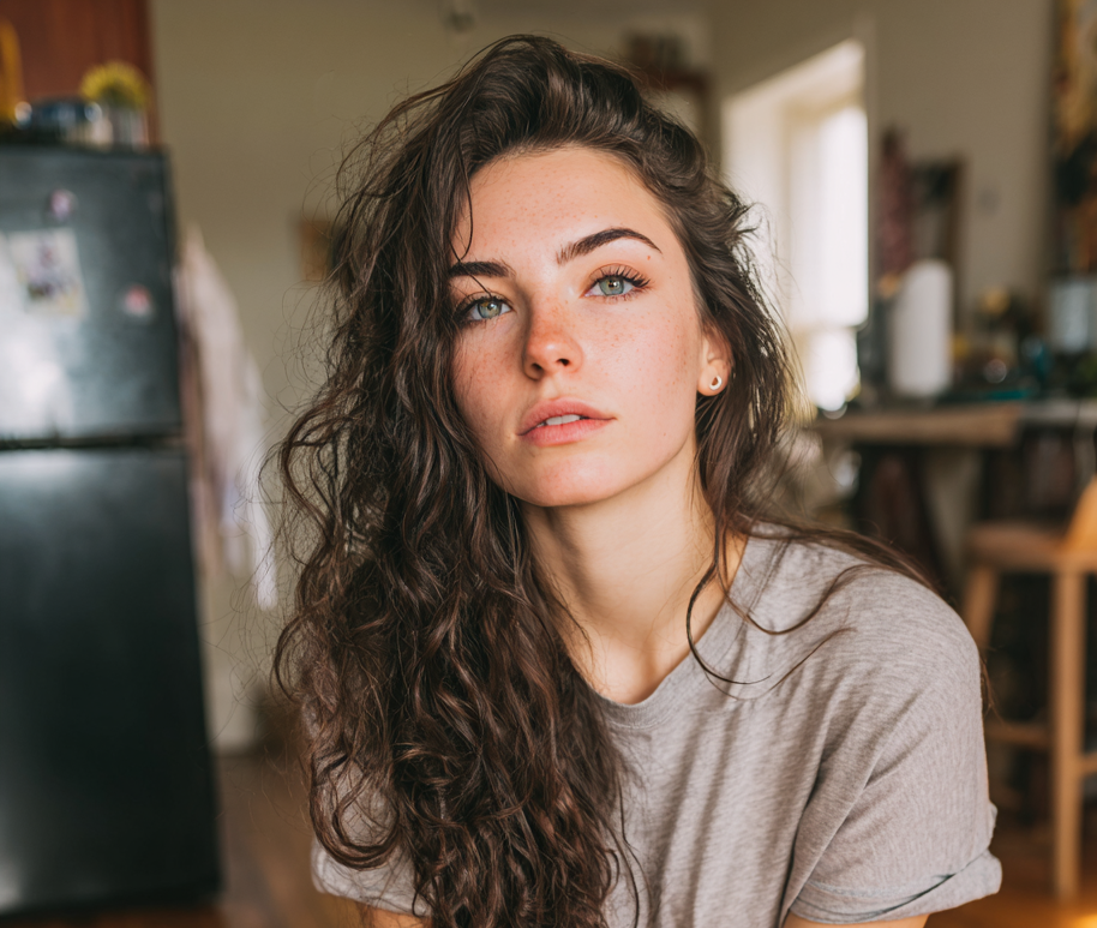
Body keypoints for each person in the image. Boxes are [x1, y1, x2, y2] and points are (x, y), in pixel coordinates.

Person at [275, 35, 1001, 928]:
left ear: (713, 345)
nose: (547, 344)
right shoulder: (381, 662)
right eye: (483, 304)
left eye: (612, 280)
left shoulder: (885, 667)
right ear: (436, 380)